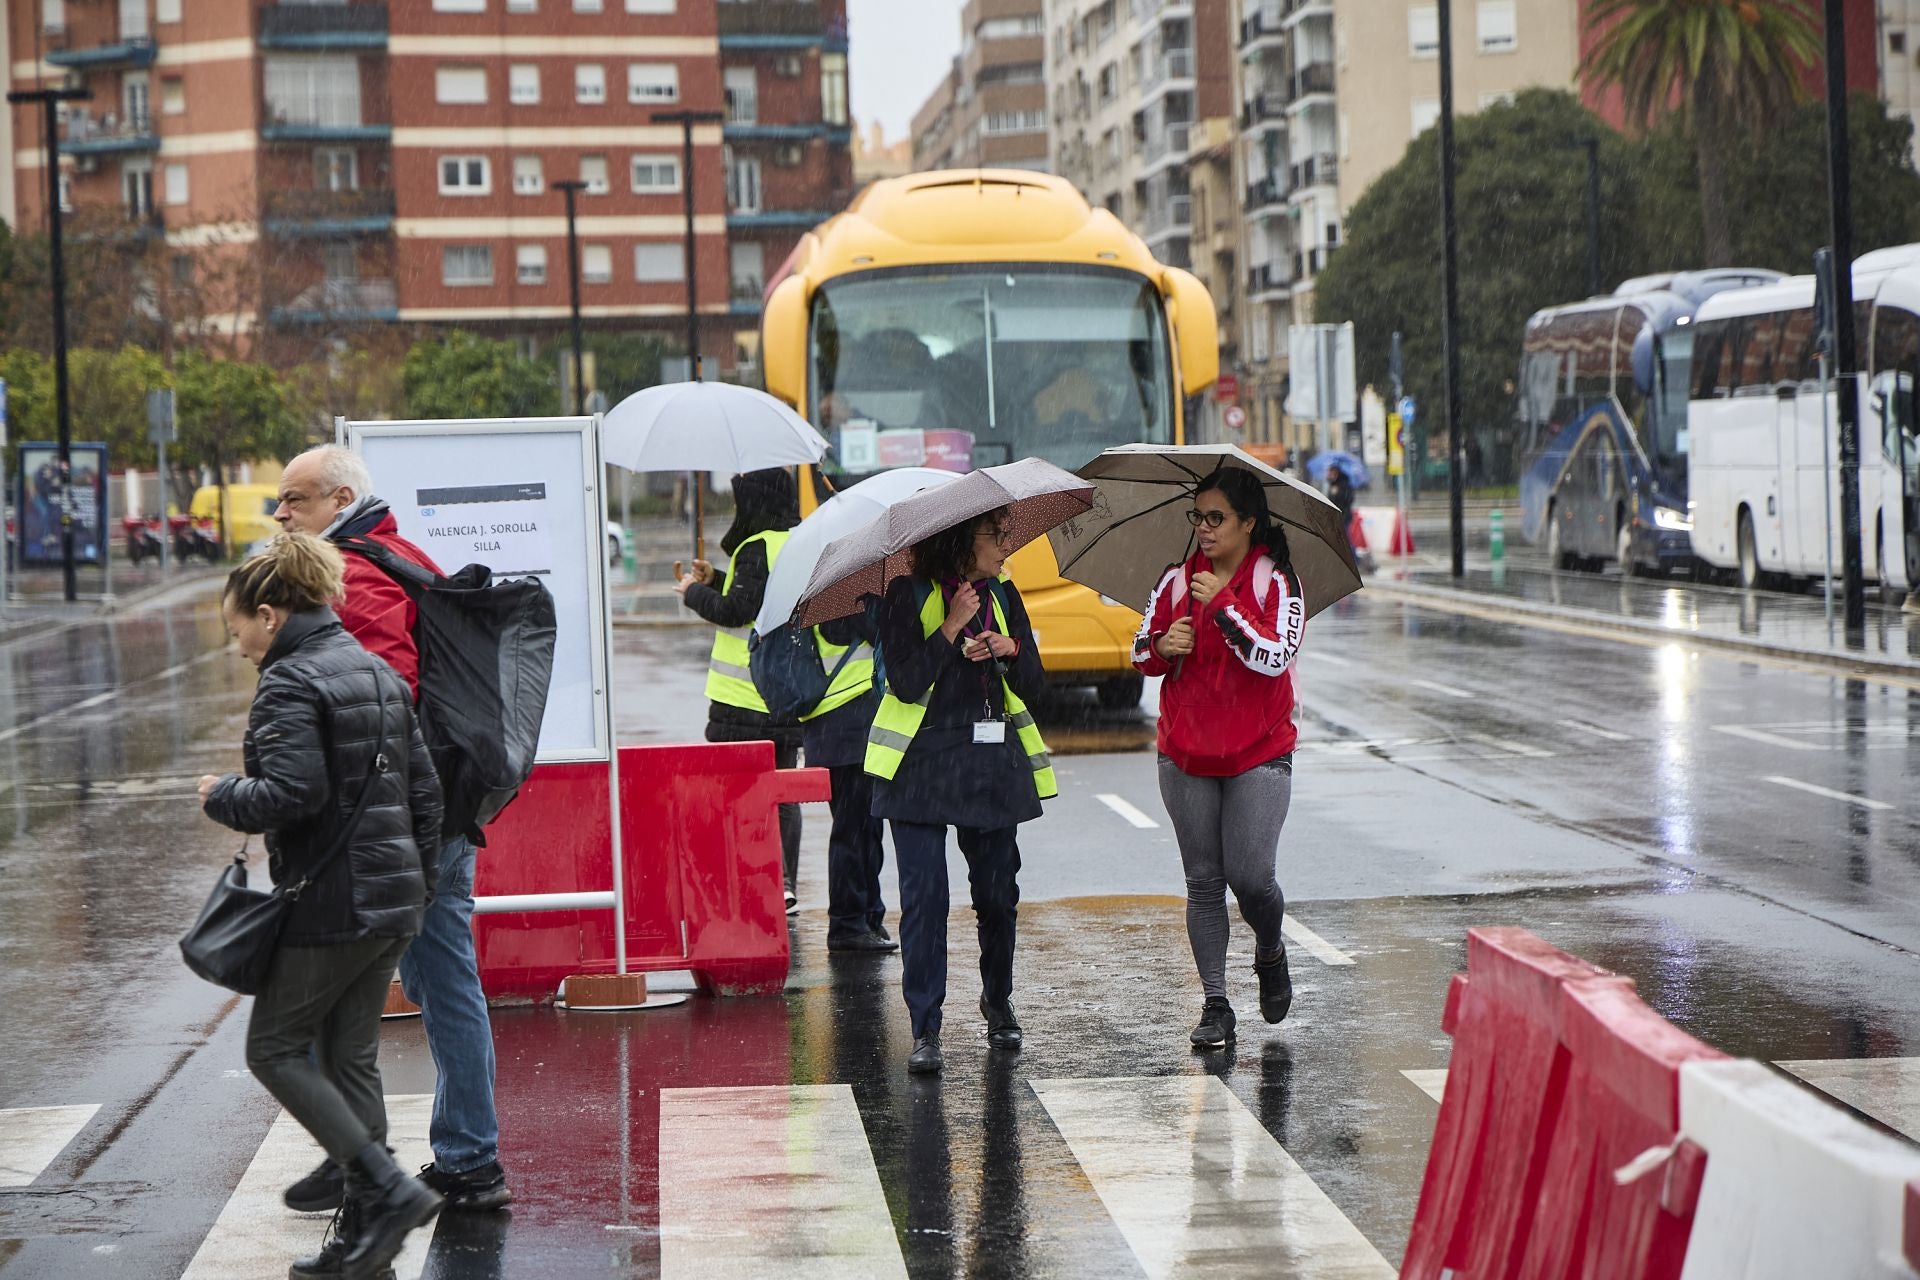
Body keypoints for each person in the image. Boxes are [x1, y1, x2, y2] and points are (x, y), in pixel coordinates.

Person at [273, 444, 513, 1214]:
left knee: (319, 989)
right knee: (439, 982)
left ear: (340, 498)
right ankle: (458, 1160)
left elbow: (383, 697)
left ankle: (369, 1160)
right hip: (431, 809)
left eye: (295, 499)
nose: (281, 513)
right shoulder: (394, 550)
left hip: (394, 820)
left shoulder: (360, 567)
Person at [197, 534, 445, 1279]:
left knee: (272, 1048)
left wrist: (221, 797)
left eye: (236, 625)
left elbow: (291, 794)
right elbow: (426, 796)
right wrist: (416, 887)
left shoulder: (289, 682)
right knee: (348, 1056)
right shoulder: (371, 670)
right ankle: (363, 1239)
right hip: (392, 899)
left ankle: (385, 1189)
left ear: (269, 615)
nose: (236, 642)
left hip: (332, 902)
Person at [867, 507, 1055, 1075]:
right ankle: (925, 1026)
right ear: (958, 541)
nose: (1005, 546)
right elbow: (903, 680)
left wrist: (1007, 650)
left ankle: (997, 1001)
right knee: (924, 901)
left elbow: (1037, 687)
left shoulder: (1004, 595)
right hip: (920, 766)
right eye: (994, 536)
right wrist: (950, 627)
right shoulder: (907, 593)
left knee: (998, 896)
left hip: (988, 764)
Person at [1131, 467, 1305, 1050]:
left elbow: (1276, 656)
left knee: (1251, 878)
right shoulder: (1177, 581)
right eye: (1197, 517)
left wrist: (1227, 607)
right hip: (1185, 751)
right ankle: (1215, 1003)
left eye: (1216, 518)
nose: (1203, 530)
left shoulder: (1275, 580)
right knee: (1204, 882)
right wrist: (1162, 646)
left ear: (1247, 523)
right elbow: (1138, 650)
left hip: (1260, 750)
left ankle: (1270, 948)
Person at [676, 468, 805, 911]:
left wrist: (694, 592)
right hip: (787, 697)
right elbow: (764, 598)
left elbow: (737, 612)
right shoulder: (795, 543)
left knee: (739, 794)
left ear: (754, 504)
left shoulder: (755, 547)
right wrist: (717, 578)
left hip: (743, 701)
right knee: (783, 791)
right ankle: (785, 881)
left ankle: (750, 876)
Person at [810, 604, 896, 953]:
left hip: (842, 724)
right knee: (854, 830)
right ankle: (847, 924)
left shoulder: (835, 586)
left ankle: (868, 915)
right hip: (847, 722)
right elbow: (881, 633)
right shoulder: (842, 594)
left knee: (866, 828)